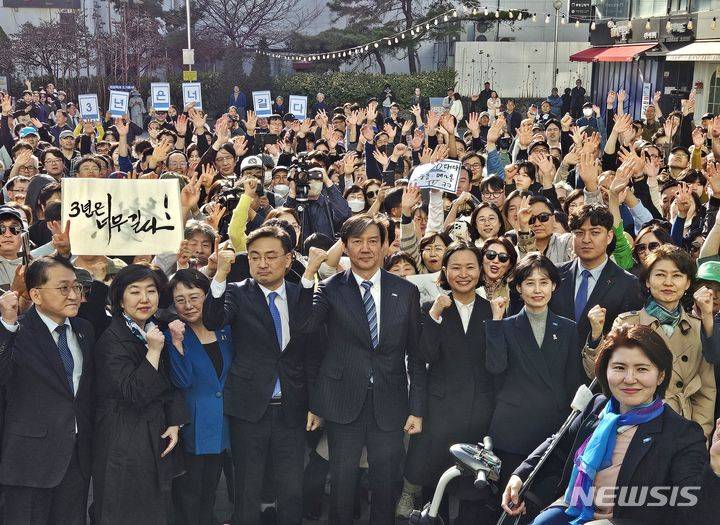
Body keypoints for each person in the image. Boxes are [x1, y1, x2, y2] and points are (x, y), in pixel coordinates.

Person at [503, 324, 720, 525]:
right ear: (605, 372)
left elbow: (695, 510)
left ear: (660, 375)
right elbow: (558, 444)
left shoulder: (681, 433)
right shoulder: (597, 407)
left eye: (642, 369)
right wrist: (519, 476)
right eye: (619, 367)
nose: (629, 378)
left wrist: (716, 468)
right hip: (575, 506)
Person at [298, 214, 426, 525]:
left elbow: (416, 353)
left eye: (372, 241)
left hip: (390, 399)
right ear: (344, 247)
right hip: (343, 400)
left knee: (385, 483)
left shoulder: (405, 290)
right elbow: (307, 328)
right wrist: (308, 276)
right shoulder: (329, 288)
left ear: (385, 246)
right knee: (342, 482)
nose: (365, 248)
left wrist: (417, 407)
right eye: (356, 241)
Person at [204, 225, 322, 525]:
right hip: (248, 407)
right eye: (255, 257)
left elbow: (310, 349)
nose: (263, 263)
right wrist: (219, 275)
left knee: (291, 488)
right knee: (247, 487)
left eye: (271, 256)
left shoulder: (301, 295)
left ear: (288, 258)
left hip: (292, 408)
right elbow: (213, 319)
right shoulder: (236, 292)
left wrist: (315, 404)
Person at [583, 244, 718, 438]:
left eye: (677, 275)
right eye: (660, 275)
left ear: (688, 283)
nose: (668, 283)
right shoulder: (628, 322)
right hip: (633, 424)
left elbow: (706, 391)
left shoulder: (698, 328)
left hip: (681, 427)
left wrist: (698, 437)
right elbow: (598, 374)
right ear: (647, 281)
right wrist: (596, 337)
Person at [404, 241, 495, 524]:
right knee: (437, 486)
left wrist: (498, 322)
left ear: (481, 271)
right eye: (455, 267)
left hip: (479, 410)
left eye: (470, 267)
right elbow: (424, 356)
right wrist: (434, 316)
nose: (463, 273)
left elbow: (496, 364)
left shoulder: (492, 309)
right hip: (440, 410)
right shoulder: (431, 308)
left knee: (474, 489)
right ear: (445, 271)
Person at [0, 256, 94, 524]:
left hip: (76, 459)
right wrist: (6, 325)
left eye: (77, 287)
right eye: (64, 288)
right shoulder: (17, 330)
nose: (74, 295)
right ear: (36, 295)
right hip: (28, 461)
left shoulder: (84, 330)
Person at [93, 264, 188, 524]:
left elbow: (170, 383)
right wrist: (154, 351)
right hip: (122, 437)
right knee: (124, 508)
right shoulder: (111, 339)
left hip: (154, 431)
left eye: (151, 291)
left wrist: (175, 421)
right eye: (135, 292)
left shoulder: (154, 328)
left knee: (155, 509)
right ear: (120, 300)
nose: (145, 299)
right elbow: (135, 392)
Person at [485, 253, 584, 501]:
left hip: (553, 430)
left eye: (544, 282)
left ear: (554, 286)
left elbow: (573, 381)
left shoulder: (568, 328)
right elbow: (495, 368)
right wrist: (496, 322)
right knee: (509, 503)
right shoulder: (505, 326)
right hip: (513, 432)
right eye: (529, 283)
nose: (537, 289)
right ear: (518, 288)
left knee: (543, 504)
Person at [166, 269, 234, 525]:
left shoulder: (225, 328)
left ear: (207, 296)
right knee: (189, 493)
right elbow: (182, 380)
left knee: (211, 489)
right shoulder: (175, 332)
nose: (188, 305)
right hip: (192, 425)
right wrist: (178, 344)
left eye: (194, 297)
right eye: (180, 300)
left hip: (222, 422)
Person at [548, 203, 643, 343]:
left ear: (609, 236)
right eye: (579, 233)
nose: (586, 239)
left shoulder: (627, 283)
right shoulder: (553, 274)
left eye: (595, 232)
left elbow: (628, 340)